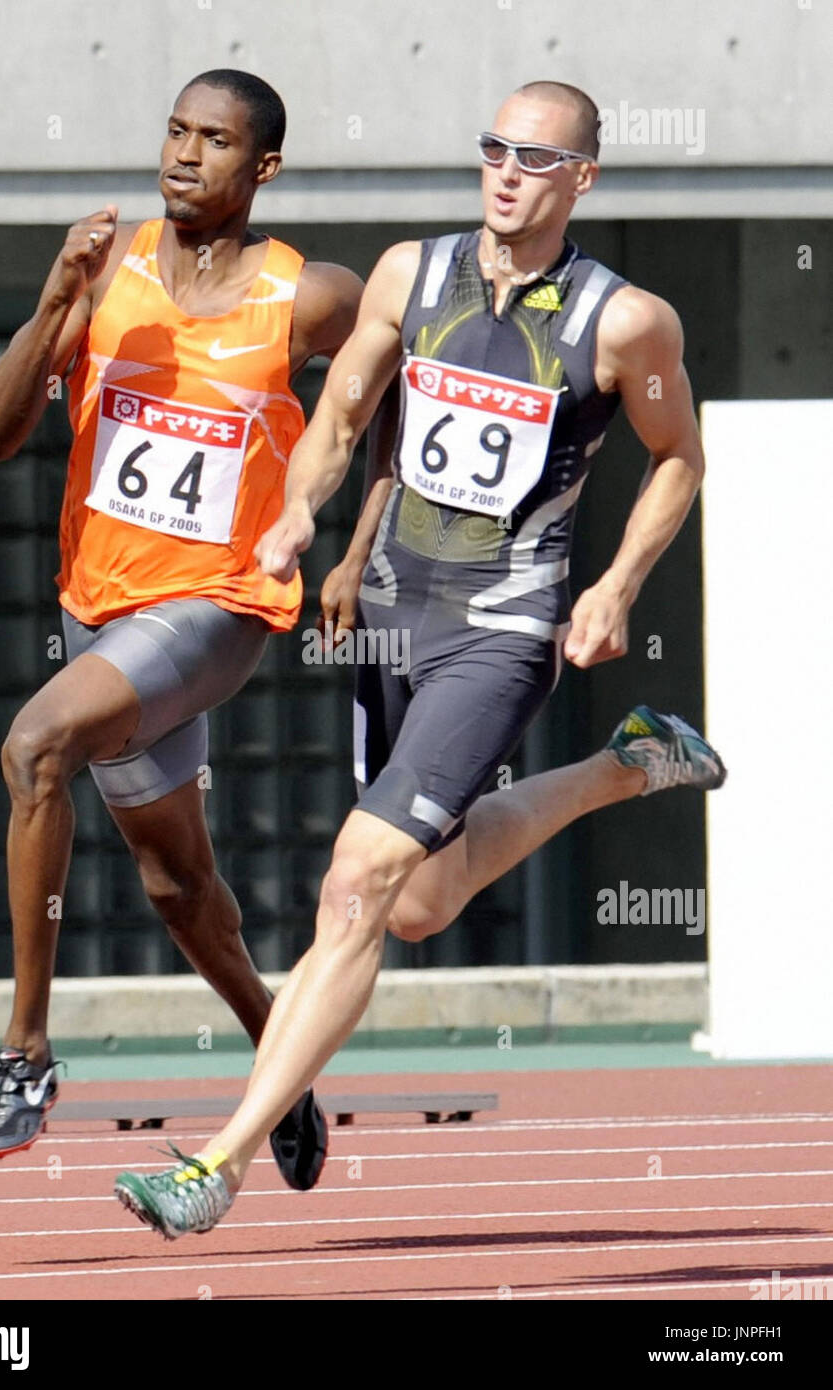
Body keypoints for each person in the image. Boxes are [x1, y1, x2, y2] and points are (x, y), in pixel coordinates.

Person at [112, 80, 726, 1239]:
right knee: (421, 902)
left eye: (534, 159)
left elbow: (678, 458)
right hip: (397, 613)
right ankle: (626, 766)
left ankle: (219, 1163)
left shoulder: (624, 320)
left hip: (501, 629)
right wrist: (303, 519)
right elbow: (344, 418)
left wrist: (613, 586)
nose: (504, 173)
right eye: (493, 148)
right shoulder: (410, 272)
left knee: (355, 884)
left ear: (579, 178)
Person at [0, 69, 366, 1192]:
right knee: (180, 888)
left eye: (216, 140)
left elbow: (394, 381)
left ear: (262, 167)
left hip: (218, 609)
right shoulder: (110, 270)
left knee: (36, 745)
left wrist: (358, 536)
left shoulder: (307, 297)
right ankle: (277, 1056)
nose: (186, 156)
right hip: (104, 614)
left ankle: (25, 1053)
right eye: (176, 132)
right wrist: (53, 302)